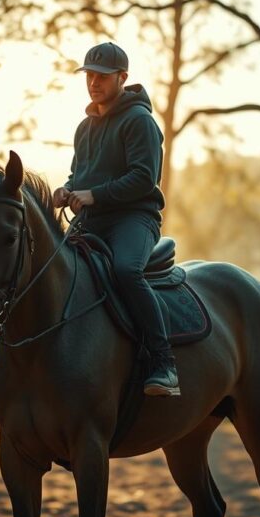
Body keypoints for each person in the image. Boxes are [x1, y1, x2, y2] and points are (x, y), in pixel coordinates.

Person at [53, 42, 180, 397]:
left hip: (133, 218)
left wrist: (96, 195)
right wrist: (66, 189)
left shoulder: (140, 121)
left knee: (126, 270)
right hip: (92, 219)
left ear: (122, 78)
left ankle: (163, 362)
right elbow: (79, 174)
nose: (94, 82)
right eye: (89, 75)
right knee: (49, 268)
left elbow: (144, 177)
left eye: (103, 76)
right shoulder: (84, 127)